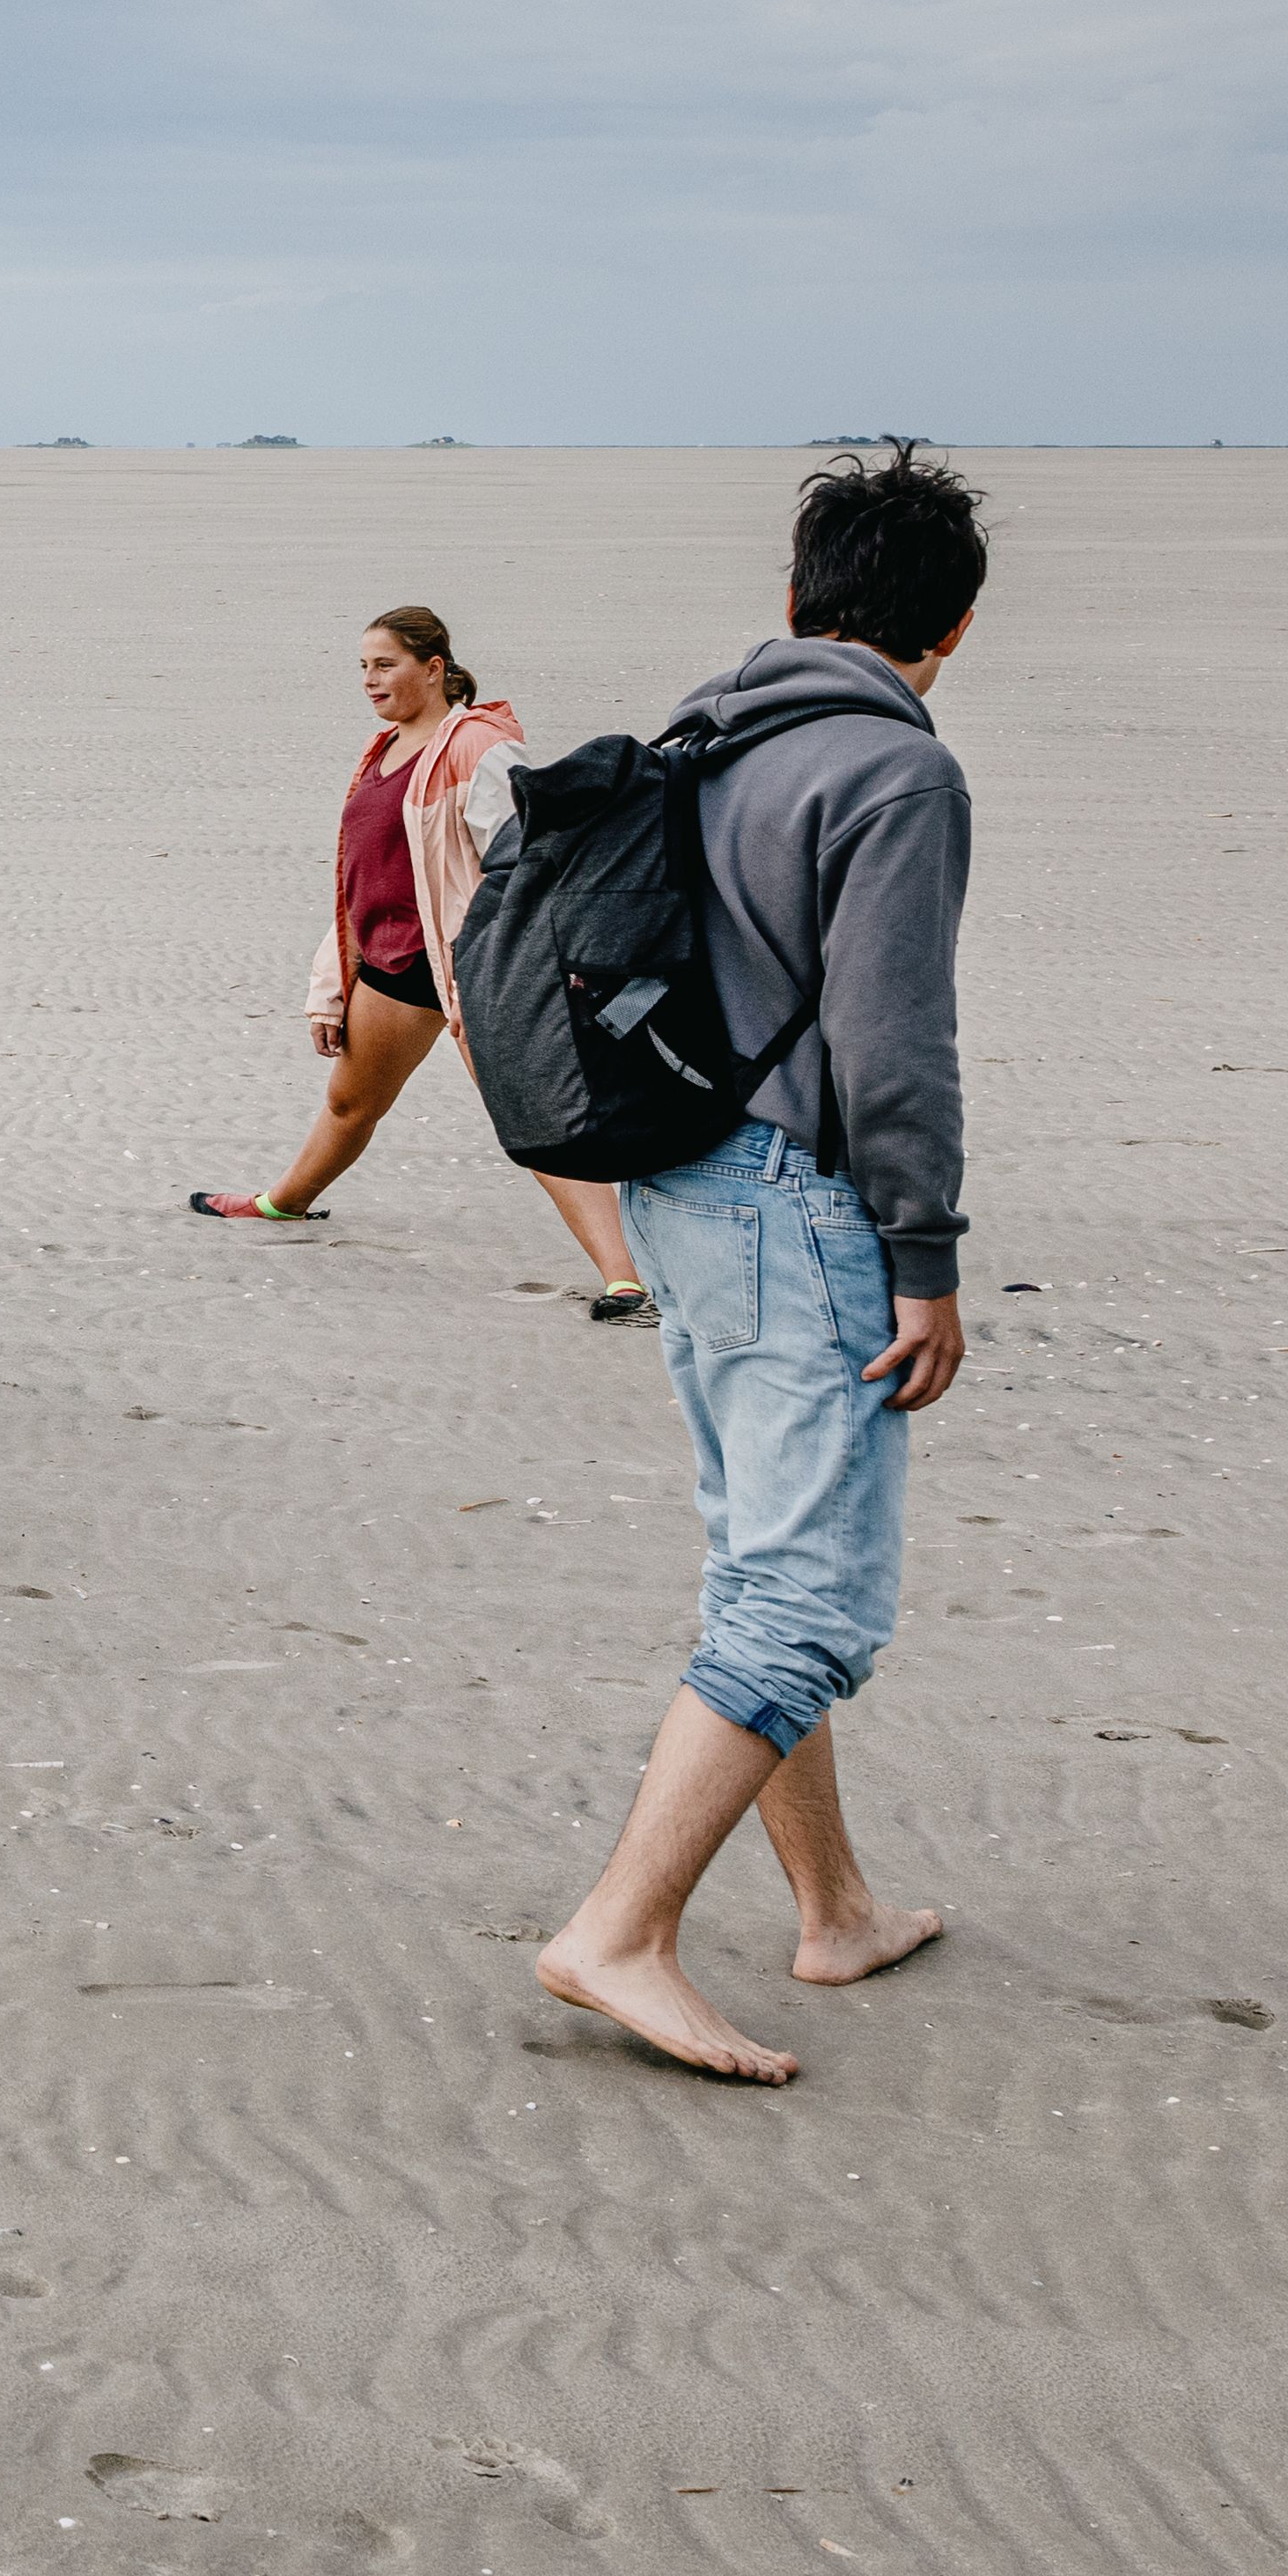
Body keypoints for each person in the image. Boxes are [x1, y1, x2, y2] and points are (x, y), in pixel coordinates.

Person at [532, 449, 991, 2086]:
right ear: (950, 630)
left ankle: (836, 1907)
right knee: (809, 1596)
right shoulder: (894, 775)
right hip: (799, 1200)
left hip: (674, 1179)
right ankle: (621, 1931)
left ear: (797, 601)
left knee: (759, 1552)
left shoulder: (714, 727)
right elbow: (893, 1047)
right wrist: (925, 1261)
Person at [189, 604, 650, 1305]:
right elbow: (360, 878)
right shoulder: (380, 753)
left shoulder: (477, 748)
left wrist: (521, 965)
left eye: (385, 665)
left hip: (474, 968)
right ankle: (284, 1201)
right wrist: (330, 982)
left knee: (535, 1121)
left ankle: (625, 1278)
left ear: (433, 668)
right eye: (363, 668)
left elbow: (526, 860)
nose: (370, 682)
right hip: (394, 965)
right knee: (350, 1103)